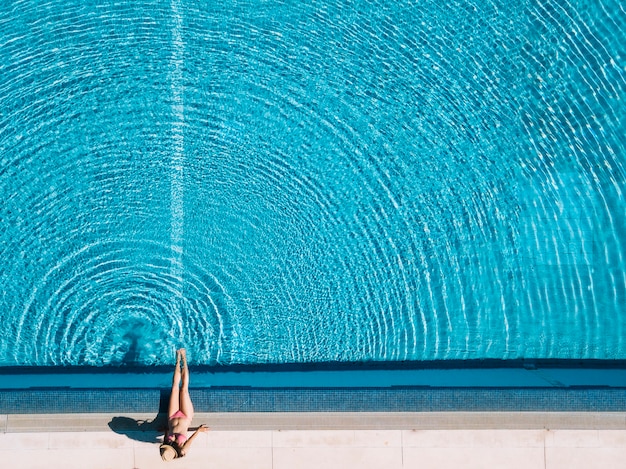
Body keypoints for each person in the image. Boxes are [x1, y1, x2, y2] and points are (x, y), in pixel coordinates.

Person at [160, 348, 209, 461]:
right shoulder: (182, 450)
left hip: (172, 416)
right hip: (186, 417)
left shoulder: (166, 444)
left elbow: (167, 434)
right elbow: (190, 440)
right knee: (184, 390)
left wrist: (166, 430)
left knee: (174, 388)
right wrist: (198, 430)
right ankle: (184, 358)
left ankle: (178, 359)